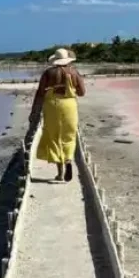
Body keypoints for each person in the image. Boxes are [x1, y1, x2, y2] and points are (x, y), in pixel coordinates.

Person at [29, 48, 86, 182]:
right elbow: (82, 92)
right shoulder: (74, 72)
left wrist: (34, 111)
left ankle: (60, 174)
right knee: (69, 136)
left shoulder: (49, 73)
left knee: (54, 137)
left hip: (52, 106)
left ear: (55, 60)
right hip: (69, 106)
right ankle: (68, 159)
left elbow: (40, 94)